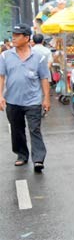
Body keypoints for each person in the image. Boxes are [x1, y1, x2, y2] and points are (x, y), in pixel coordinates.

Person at [0, 23, 51, 172]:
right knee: (17, 130)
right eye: (13, 35)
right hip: (12, 100)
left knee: (35, 129)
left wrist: (46, 98)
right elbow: (1, 76)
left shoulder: (39, 58)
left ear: (27, 38)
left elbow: (44, 78)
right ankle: (22, 155)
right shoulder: (5, 56)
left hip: (33, 101)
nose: (13, 38)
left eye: (17, 36)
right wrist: (0, 96)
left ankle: (38, 159)